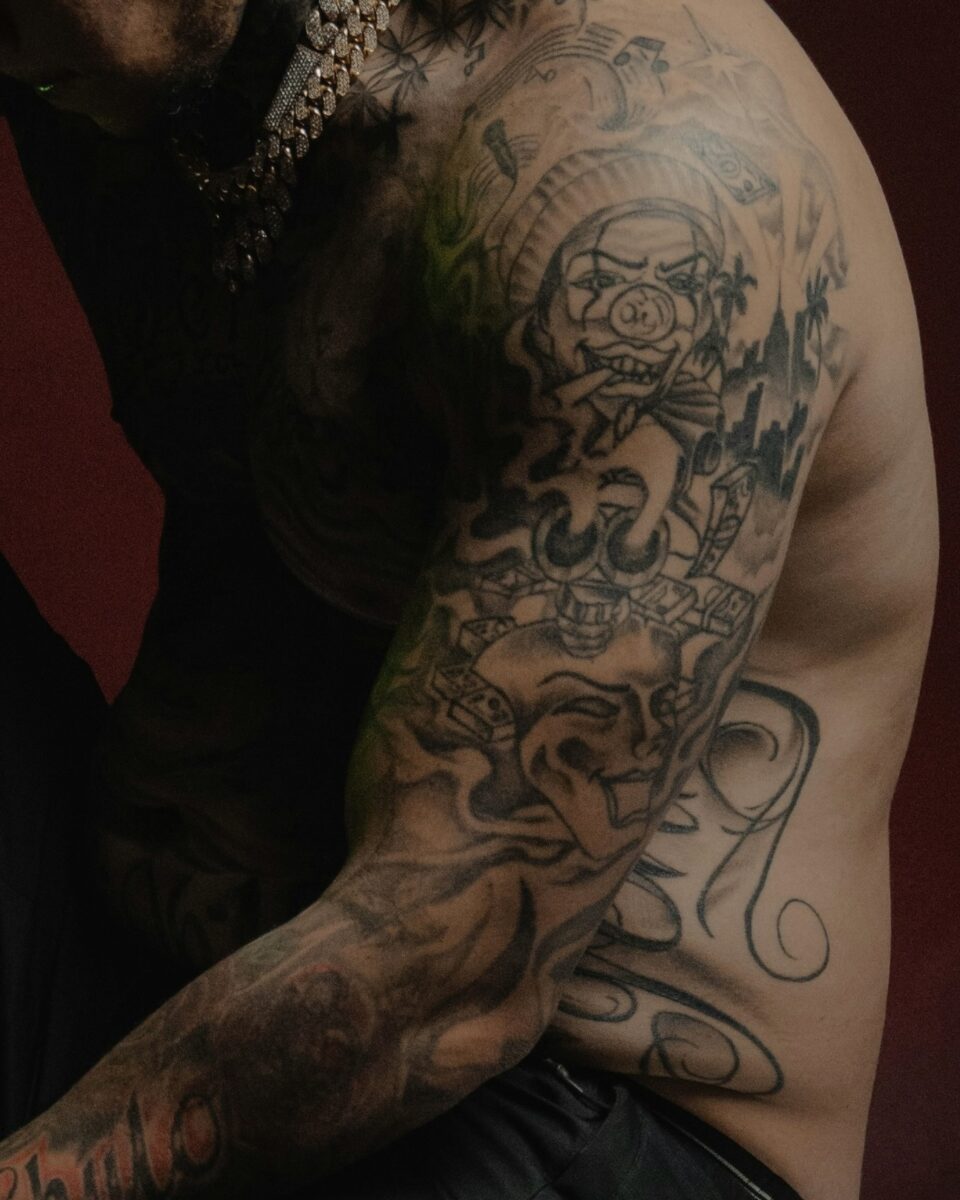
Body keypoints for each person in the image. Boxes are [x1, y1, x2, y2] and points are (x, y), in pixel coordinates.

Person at [0, 0, 937, 1197]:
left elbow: (451, 974)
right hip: (145, 986)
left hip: (566, 1107)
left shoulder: (646, 178)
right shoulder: (106, 76)